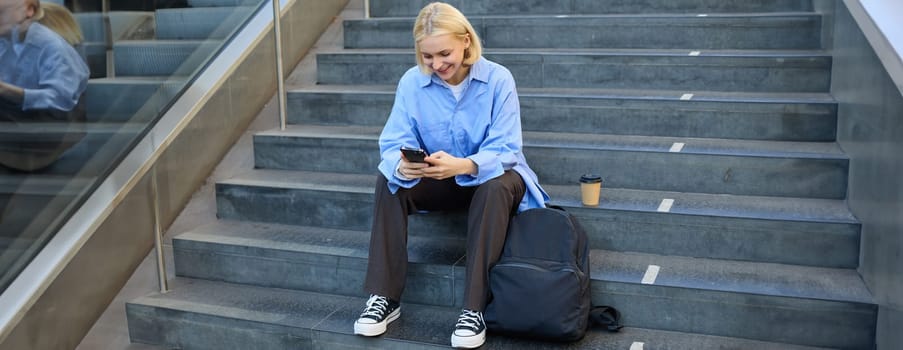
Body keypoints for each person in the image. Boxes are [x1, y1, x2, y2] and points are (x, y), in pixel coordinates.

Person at [353, 2, 549, 348]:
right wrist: (403, 165)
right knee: (389, 179)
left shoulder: (497, 80)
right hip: (443, 179)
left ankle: (474, 308)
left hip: (496, 179)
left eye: (445, 53)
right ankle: (384, 297)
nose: (437, 64)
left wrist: (464, 165)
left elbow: (507, 150)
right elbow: (394, 140)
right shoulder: (412, 83)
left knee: (494, 186)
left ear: (466, 42)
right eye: (427, 56)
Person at [0, 0, 89, 172]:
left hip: (43, 137)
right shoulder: (6, 44)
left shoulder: (54, 48)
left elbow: (61, 102)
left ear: (29, 11)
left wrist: (8, 91)